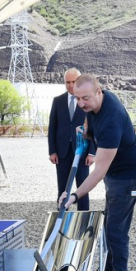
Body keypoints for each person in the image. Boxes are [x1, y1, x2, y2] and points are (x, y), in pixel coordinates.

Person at [59, 74, 136, 271]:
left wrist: (75, 196)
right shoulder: (95, 102)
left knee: (116, 231)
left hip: (126, 174)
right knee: (108, 225)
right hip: (114, 171)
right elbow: (88, 120)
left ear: (99, 92)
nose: (81, 104)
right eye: (77, 99)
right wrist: (86, 132)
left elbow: (98, 172)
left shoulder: (111, 119)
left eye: (85, 98)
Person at [48, 68, 96, 210]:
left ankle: (83, 222)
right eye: (67, 82)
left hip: (82, 153)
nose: (70, 85)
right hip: (62, 153)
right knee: (62, 189)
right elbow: (52, 128)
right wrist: (52, 151)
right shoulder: (58, 101)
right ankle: (62, 219)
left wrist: (92, 153)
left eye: (73, 82)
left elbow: (93, 128)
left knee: (83, 188)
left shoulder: (87, 102)